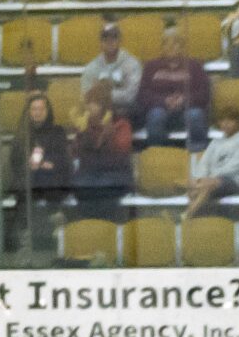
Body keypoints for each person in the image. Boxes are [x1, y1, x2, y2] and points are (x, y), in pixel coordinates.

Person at [10, 90, 74, 254]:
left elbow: (64, 159)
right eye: (34, 109)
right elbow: (14, 160)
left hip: (52, 177)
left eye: (41, 109)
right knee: (23, 188)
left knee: (48, 179)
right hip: (30, 179)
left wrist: (48, 164)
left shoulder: (57, 131)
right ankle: (25, 238)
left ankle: (58, 228)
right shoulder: (22, 133)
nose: (37, 113)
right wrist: (28, 164)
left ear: (47, 111)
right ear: (29, 112)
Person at [138, 21, 212, 152]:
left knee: (195, 115)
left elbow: (204, 94)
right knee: (155, 116)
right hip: (160, 110)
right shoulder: (151, 67)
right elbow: (142, 95)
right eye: (166, 43)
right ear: (162, 47)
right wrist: (164, 101)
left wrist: (184, 100)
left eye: (175, 43)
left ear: (182, 46)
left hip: (187, 110)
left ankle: (198, 155)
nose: (171, 46)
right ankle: (158, 155)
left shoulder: (194, 66)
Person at [72, 85, 135, 224]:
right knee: (81, 185)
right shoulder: (84, 125)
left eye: (94, 103)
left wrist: (107, 133)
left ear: (104, 106)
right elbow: (77, 153)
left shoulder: (121, 124)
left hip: (116, 173)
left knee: (104, 187)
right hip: (89, 173)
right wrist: (83, 133)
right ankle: (89, 228)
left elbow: (121, 152)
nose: (89, 107)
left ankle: (105, 228)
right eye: (88, 103)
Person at [185, 106, 239, 218]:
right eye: (222, 120)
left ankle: (186, 217)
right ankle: (191, 218)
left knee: (204, 186)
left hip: (236, 181)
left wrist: (213, 175)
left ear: (238, 122)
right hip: (213, 181)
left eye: (230, 120)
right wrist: (199, 178)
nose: (225, 124)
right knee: (195, 188)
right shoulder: (215, 143)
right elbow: (204, 163)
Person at [81, 19, 143, 111]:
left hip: (125, 110)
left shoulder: (132, 63)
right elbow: (86, 94)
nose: (109, 41)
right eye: (105, 38)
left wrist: (104, 95)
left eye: (114, 37)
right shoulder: (92, 67)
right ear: (100, 42)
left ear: (120, 40)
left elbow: (131, 95)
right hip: (99, 111)